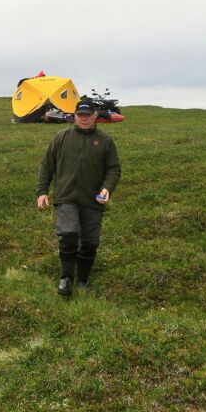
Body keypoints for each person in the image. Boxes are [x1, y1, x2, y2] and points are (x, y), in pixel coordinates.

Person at [36, 96, 122, 296]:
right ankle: (66, 278)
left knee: (90, 242)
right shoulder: (61, 138)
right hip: (66, 197)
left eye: (88, 115)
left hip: (93, 200)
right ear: (74, 116)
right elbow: (47, 166)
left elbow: (113, 169)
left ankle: (82, 280)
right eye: (80, 115)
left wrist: (107, 188)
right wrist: (42, 192)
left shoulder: (105, 141)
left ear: (95, 116)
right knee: (69, 234)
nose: (84, 118)